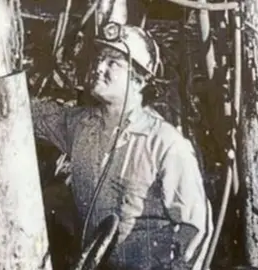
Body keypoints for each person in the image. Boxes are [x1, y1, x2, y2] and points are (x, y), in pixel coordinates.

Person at [31, 22, 214, 270]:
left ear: (139, 80)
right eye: (99, 59)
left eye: (112, 63)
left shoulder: (165, 144)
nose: (98, 67)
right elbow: (28, 114)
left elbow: (195, 229)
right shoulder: (80, 126)